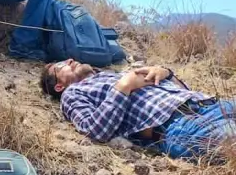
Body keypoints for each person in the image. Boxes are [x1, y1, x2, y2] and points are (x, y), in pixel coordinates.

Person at [40, 60, 235, 160]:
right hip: (178, 126)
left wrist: (166, 72)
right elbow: (94, 130)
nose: (71, 59)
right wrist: (123, 87)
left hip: (209, 104)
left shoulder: (110, 75)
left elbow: (181, 90)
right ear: (59, 86)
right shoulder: (73, 93)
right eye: (61, 65)